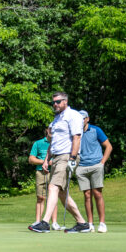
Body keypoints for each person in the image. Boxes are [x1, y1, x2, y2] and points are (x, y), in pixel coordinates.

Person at [28, 92, 89, 233]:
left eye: (58, 101)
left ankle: (45, 223)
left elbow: (77, 138)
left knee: (53, 187)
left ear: (65, 101)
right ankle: (82, 223)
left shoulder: (73, 115)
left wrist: (72, 158)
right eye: (53, 102)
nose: (55, 104)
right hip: (56, 157)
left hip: (67, 156)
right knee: (62, 194)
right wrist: (46, 159)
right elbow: (53, 142)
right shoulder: (56, 119)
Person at [76, 110, 112, 233]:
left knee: (97, 194)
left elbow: (108, 146)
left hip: (96, 165)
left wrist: (102, 162)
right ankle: (90, 224)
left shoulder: (96, 130)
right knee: (87, 195)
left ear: (87, 119)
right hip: (81, 167)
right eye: (79, 118)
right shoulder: (75, 132)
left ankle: (102, 223)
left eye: (83, 118)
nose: (81, 121)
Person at [28, 127, 60, 230]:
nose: (52, 131)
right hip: (41, 172)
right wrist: (45, 162)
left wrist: (52, 163)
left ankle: (54, 222)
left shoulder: (58, 143)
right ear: (47, 130)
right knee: (40, 197)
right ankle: (38, 221)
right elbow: (31, 159)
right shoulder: (38, 143)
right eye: (50, 129)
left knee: (53, 197)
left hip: (54, 172)